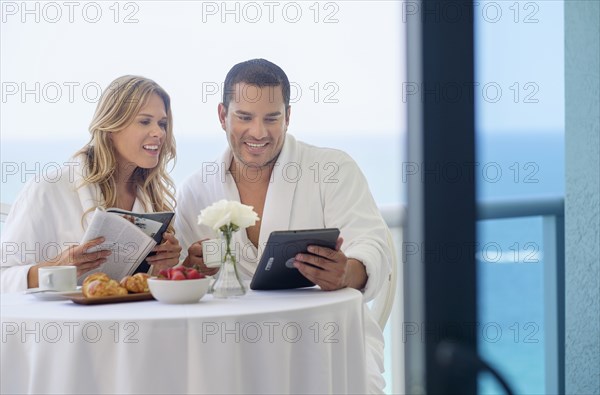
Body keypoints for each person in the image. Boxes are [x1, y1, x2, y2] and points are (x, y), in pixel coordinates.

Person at [175, 59, 393, 393]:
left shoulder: (332, 168)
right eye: (244, 117)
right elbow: (180, 275)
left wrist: (345, 272)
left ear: (288, 117)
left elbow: (373, 246)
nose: (258, 132)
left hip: (325, 338)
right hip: (234, 349)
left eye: (272, 118)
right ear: (222, 115)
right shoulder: (197, 189)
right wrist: (192, 269)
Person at [1, 75, 182, 293]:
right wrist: (57, 268)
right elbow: (4, 277)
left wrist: (164, 267)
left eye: (162, 124)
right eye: (145, 121)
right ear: (111, 126)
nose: (159, 133)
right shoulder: (49, 189)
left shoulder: (154, 200)